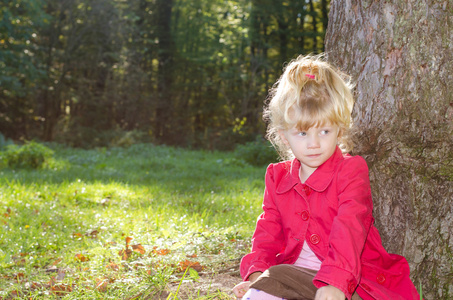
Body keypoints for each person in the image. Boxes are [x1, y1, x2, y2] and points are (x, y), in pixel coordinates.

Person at [232, 54, 421, 300]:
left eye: (324, 131)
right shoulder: (277, 177)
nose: (314, 144)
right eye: (302, 133)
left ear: (339, 130)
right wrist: (257, 273)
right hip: (293, 277)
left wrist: (335, 283)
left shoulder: (351, 171)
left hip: (351, 282)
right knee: (258, 294)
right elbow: (267, 231)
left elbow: (350, 227)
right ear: (284, 135)